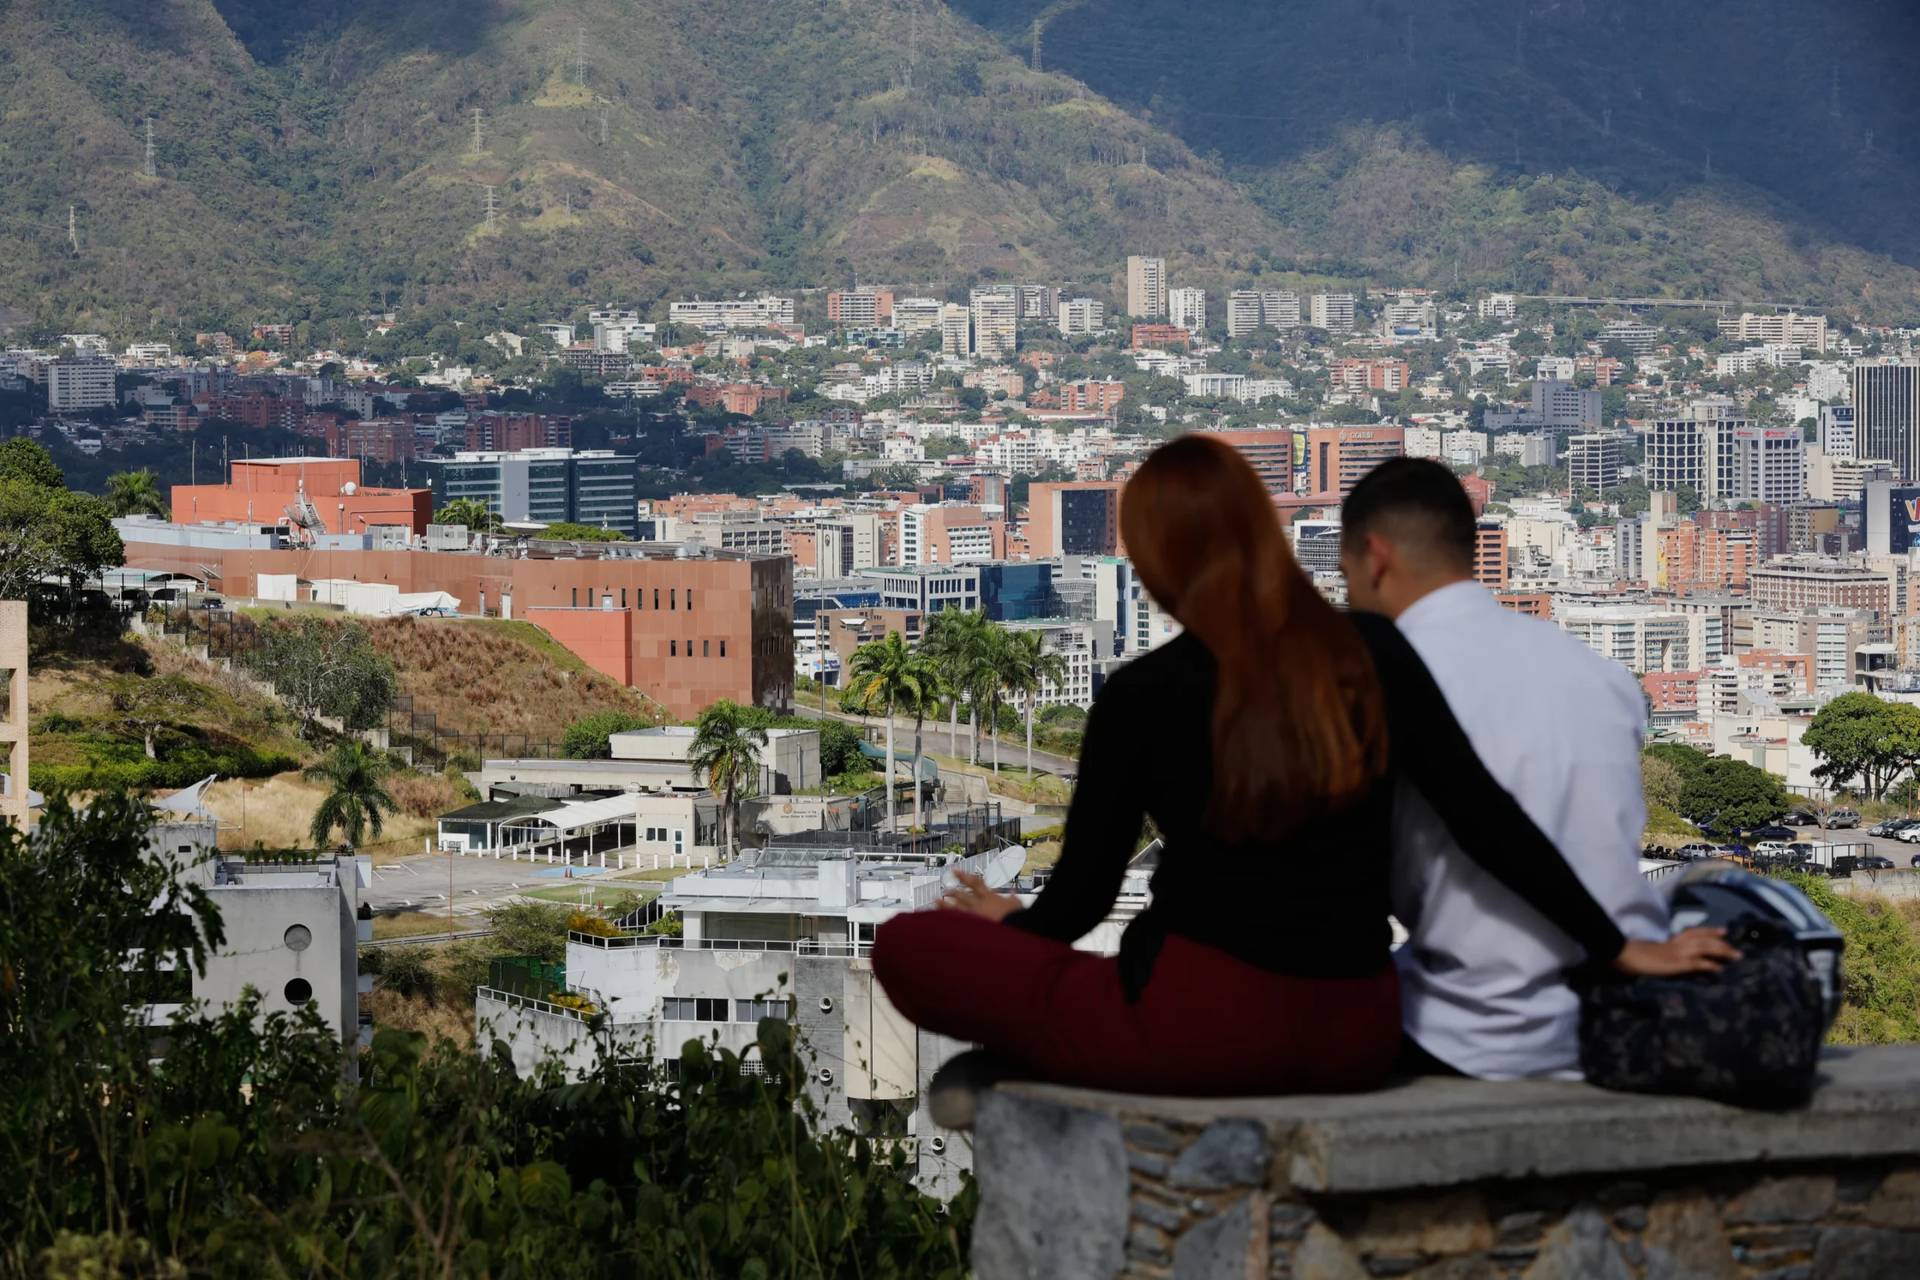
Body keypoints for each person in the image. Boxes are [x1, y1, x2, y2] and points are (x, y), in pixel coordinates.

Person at [872, 436, 1727, 1111]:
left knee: (909, 946)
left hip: (1203, 1028)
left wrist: (1010, 934)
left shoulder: (1145, 693)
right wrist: (1620, 947)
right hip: (1356, 1029)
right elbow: (1486, 819)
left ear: (1153, 560)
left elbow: (1084, 901)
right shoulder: (1372, 653)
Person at [1339, 457, 1737, 1079]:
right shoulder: (1600, 674)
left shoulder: (1386, 677)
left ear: (1374, 555)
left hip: (1466, 1031)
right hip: (1619, 1019)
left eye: (1344, 574)